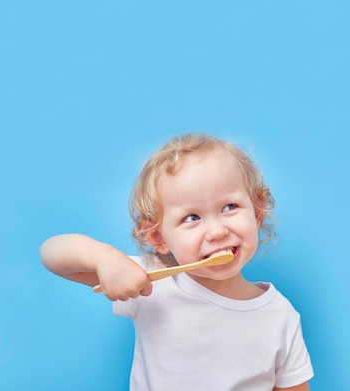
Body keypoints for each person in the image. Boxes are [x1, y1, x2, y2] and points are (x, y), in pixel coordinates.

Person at [40, 133, 314, 390]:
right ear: (159, 238)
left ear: (257, 212)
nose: (217, 231)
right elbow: (51, 253)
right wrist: (104, 259)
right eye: (191, 218)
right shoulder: (149, 282)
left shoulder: (280, 316)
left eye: (229, 207)